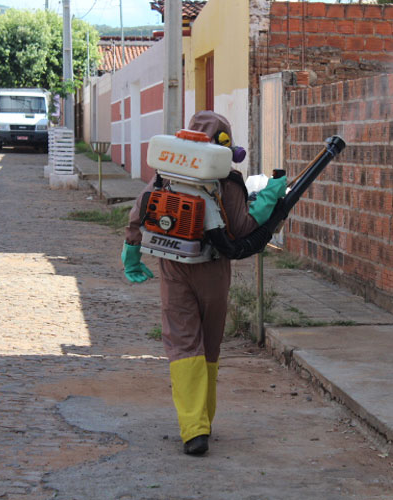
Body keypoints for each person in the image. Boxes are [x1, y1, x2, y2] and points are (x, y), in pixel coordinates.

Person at [121, 111, 286, 455]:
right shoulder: (225, 179)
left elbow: (139, 213)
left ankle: (193, 428)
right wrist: (271, 197)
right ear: (226, 143)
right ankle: (204, 421)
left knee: (182, 343)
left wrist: (131, 254)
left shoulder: (167, 174)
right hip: (212, 268)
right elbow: (241, 230)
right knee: (209, 344)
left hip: (172, 267)